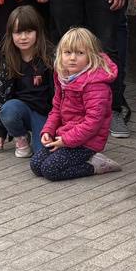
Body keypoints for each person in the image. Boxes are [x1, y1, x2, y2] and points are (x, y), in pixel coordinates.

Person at [32, 27, 123, 179]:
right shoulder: (64, 77)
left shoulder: (95, 84)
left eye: (80, 53)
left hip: (87, 142)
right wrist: (48, 131)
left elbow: (93, 122)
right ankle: (75, 156)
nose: (72, 58)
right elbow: (56, 110)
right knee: (36, 164)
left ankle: (95, 165)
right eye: (67, 53)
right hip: (65, 135)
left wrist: (66, 140)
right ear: (60, 54)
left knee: (50, 170)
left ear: (91, 56)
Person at [0, 6, 55, 155]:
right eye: (18, 32)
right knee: (8, 109)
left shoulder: (50, 58)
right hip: (20, 109)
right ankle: (21, 137)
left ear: (38, 32)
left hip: (45, 114)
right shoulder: (9, 59)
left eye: (28, 32)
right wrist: (1, 132)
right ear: (10, 34)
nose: (23, 37)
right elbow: (3, 95)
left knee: (42, 155)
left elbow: (60, 95)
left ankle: (40, 139)